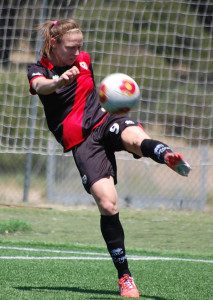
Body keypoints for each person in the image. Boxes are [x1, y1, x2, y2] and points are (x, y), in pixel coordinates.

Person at [27, 19, 191, 298]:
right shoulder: (38, 70)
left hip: (104, 122)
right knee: (108, 203)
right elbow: (40, 86)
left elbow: (93, 92)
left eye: (81, 47)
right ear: (53, 43)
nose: (78, 53)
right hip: (81, 142)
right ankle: (125, 277)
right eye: (71, 48)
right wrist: (58, 81)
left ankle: (165, 155)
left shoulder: (84, 60)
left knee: (133, 139)